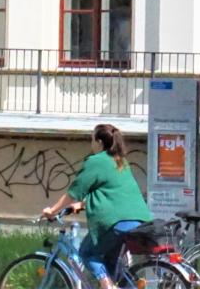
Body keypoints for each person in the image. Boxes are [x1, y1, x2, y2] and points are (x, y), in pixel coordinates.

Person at [40, 124, 153, 289]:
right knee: (110, 263)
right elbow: (112, 193)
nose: (91, 143)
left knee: (87, 253)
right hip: (137, 219)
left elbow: (74, 192)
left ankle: (106, 285)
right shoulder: (121, 161)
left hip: (116, 222)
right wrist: (81, 205)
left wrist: (52, 210)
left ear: (99, 142)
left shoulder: (96, 161)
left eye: (92, 139)